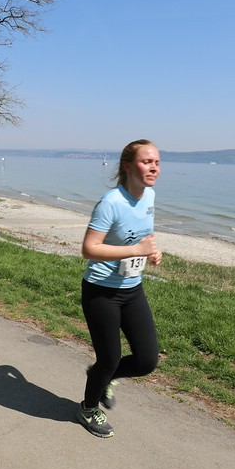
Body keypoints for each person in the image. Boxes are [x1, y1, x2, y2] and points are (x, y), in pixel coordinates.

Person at [76, 139, 162, 438]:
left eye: (157, 162)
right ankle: (87, 408)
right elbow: (89, 248)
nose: (154, 167)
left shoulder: (149, 196)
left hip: (132, 288)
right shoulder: (111, 202)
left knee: (147, 359)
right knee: (109, 358)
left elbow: (143, 232)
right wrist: (135, 248)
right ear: (128, 166)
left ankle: (104, 377)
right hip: (101, 291)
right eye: (147, 161)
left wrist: (150, 249)